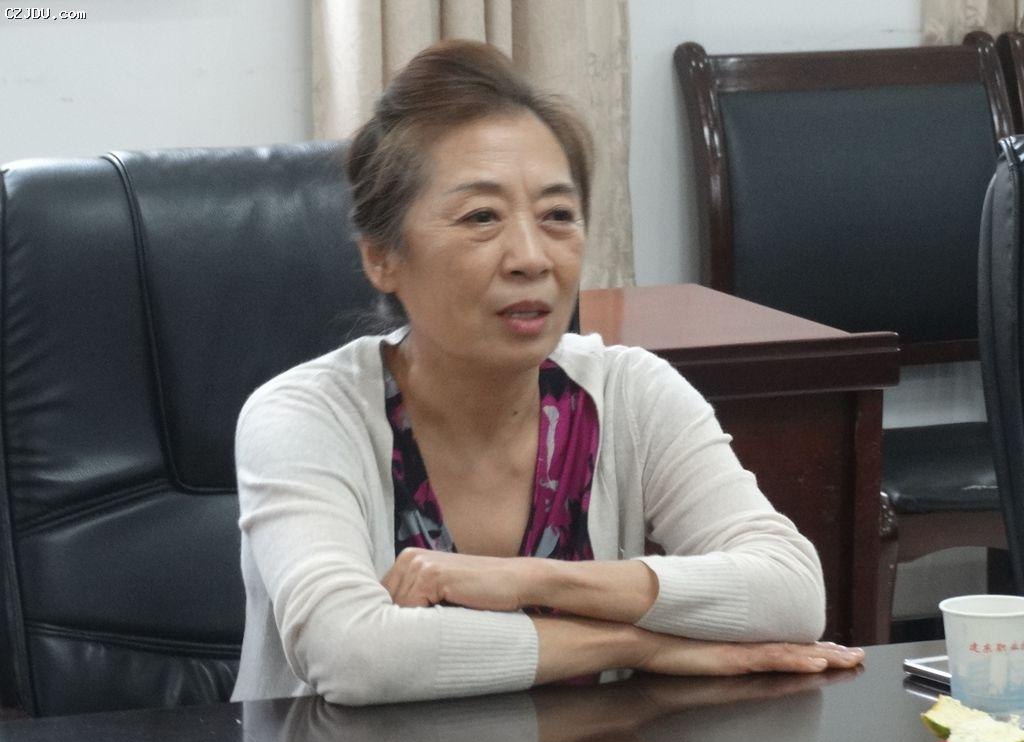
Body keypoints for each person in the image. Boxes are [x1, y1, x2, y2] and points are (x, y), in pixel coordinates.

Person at [231, 39, 864, 707]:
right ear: (382, 258)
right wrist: (638, 646)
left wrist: (531, 582)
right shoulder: (305, 416)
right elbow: (353, 654)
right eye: (482, 217)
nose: (532, 258)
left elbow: (793, 593)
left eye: (558, 216)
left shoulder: (629, 392)